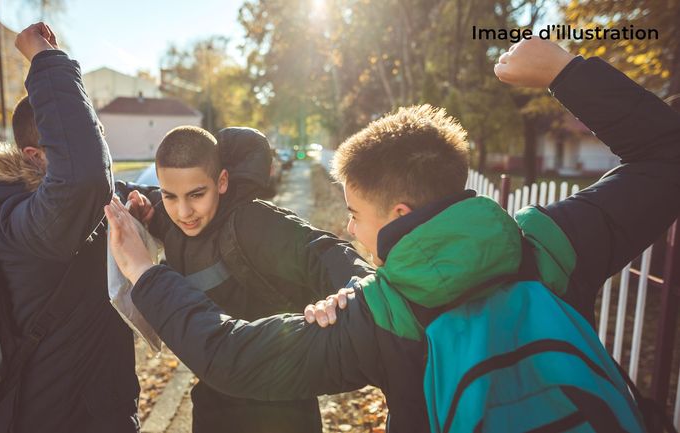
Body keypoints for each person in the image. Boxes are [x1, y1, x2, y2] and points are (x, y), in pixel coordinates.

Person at [107, 38, 680, 432]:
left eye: (355, 211)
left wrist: (143, 273)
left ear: (401, 212)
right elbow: (667, 156)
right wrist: (565, 70)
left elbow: (231, 356)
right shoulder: (550, 245)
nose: (348, 225)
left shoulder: (381, 318)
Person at [119, 125, 373, 433]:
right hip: (214, 403)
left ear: (222, 181)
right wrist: (146, 211)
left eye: (196, 195)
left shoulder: (253, 222)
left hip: (280, 409)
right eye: (170, 196)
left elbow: (323, 251)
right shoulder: (167, 217)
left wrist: (355, 289)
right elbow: (115, 192)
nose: (183, 211)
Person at [0, 23, 139, 433]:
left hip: (101, 412)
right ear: (34, 155)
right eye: (67, 143)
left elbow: (105, 180)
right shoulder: (20, 222)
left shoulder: (68, 209)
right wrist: (45, 58)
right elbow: (84, 174)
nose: (93, 145)